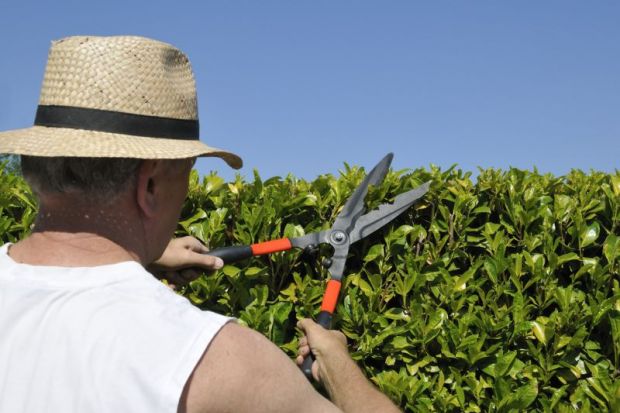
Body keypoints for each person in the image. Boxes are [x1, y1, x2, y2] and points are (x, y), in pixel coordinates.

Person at [0, 35, 400, 412]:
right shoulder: (223, 362)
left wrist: (142, 256)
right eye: (187, 172)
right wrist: (338, 367)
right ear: (151, 185)